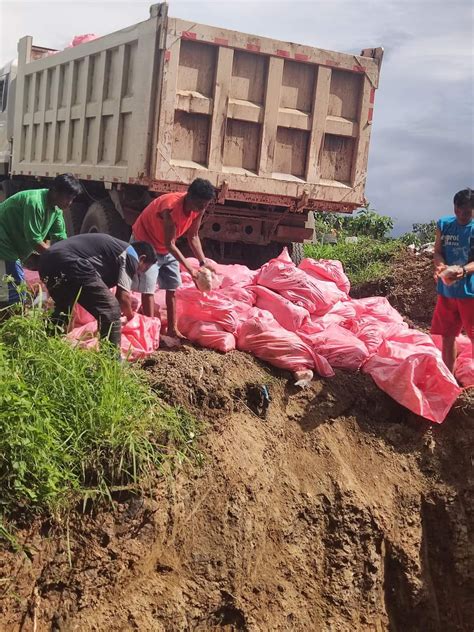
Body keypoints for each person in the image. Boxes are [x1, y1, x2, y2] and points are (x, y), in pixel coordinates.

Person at [131, 178, 216, 337]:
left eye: (205, 205)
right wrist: (190, 270)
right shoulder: (170, 207)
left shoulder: (199, 209)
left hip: (165, 247)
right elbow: (170, 244)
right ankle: (150, 332)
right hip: (146, 242)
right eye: (200, 204)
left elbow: (193, 236)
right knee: (148, 288)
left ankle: (172, 329)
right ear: (189, 196)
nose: (202, 208)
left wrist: (203, 262)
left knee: (173, 286)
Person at [39, 233, 157, 347]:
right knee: (111, 309)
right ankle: (111, 357)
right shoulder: (131, 255)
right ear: (142, 258)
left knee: (64, 308)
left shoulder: (114, 251)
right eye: (145, 268)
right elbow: (122, 297)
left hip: (47, 260)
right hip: (69, 260)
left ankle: (45, 345)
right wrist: (132, 319)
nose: (139, 273)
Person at [0, 174, 82, 309]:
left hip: (13, 247)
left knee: (14, 290)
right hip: (3, 244)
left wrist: (70, 258)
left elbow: (60, 238)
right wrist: (59, 259)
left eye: (72, 199)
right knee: (14, 293)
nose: (70, 203)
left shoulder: (56, 210)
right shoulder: (34, 202)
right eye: (67, 198)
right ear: (55, 191)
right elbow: (34, 240)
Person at [432, 188, 474, 372]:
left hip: (470, 293)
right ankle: (449, 377)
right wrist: (441, 266)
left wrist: (463, 271)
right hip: (447, 292)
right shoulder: (444, 224)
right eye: (458, 210)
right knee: (448, 336)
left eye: (466, 212)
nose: (461, 215)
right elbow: (438, 252)